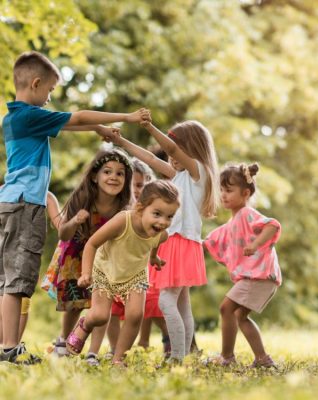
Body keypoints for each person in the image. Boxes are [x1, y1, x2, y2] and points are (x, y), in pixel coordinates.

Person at [0, 50, 150, 364]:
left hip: (11, 204)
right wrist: (127, 117)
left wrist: (97, 131)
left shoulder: (15, 118)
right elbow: (78, 116)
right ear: (36, 84)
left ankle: (7, 345)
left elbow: (72, 124)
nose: (50, 98)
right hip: (25, 205)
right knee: (17, 282)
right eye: (50, 91)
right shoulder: (29, 115)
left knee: (9, 280)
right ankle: (9, 347)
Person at [111, 119, 219, 363]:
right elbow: (151, 159)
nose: (172, 156)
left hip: (181, 243)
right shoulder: (180, 175)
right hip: (175, 243)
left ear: (192, 148)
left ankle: (177, 357)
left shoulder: (198, 172)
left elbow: (170, 150)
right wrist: (121, 142)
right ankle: (184, 355)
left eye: (178, 148)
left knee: (165, 300)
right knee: (182, 305)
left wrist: (149, 126)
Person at [66, 180, 180, 366]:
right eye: (157, 214)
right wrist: (86, 273)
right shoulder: (123, 220)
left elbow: (155, 243)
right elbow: (92, 244)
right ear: (140, 208)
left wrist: (153, 258)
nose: (163, 222)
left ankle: (119, 359)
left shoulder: (162, 234)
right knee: (101, 315)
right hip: (105, 270)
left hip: (135, 275)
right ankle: (84, 324)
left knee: (135, 315)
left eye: (169, 216)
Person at [42, 148, 133, 365]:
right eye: (107, 172)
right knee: (75, 302)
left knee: (102, 304)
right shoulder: (83, 197)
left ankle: (93, 352)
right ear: (95, 176)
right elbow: (63, 233)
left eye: (120, 173)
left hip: (105, 257)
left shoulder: (124, 206)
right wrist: (74, 221)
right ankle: (63, 341)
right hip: (75, 252)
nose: (113, 177)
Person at [203, 163, 281, 368]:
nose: (223, 195)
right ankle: (263, 359)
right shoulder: (233, 222)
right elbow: (213, 240)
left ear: (245, 193)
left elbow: (272, 225)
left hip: (259, 276)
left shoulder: (247, 213)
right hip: (259, 277)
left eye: (229, 190)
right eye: (221, 190)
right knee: (239, 315)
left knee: (226, 308)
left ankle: (227, 357)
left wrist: (255, 244)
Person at [105, 159, 171, 358]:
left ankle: (167, 338)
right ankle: (115, 348)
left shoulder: (151, 213)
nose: (135, 190)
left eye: (140, 185)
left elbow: (159, 235)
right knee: (112, 311)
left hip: (139, 268)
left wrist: (154, 256)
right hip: (114, 267)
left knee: (148, 307)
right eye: (132, 184)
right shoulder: (117, 208)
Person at [0, 191, 61, 349]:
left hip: (23, 256)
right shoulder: (6, 192)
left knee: (21, 299)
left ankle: (11, 346)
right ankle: (9, 347)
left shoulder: (45, 195)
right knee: (9, 295)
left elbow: (60, 224)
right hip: (6, 254)